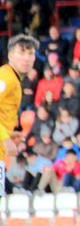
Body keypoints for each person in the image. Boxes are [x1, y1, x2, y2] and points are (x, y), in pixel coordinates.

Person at [0, 36, 39, 200]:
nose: (27, 58)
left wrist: (9, 134)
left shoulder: (13, 79)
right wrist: (5, 139)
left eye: (30, 53)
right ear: (10, 55)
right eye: (21, 52)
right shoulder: (6, 77)